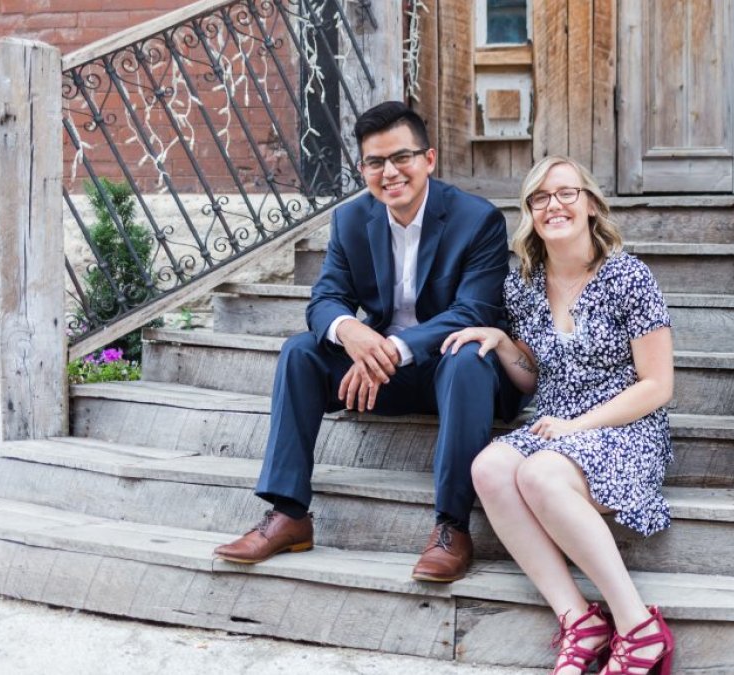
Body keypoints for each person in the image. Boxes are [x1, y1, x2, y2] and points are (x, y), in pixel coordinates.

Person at [213, 101, 523, 583]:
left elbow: (474, 313)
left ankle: (452, 528)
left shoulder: (476, 219)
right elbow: (325, 300)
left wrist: (389, 351)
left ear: (429, 159)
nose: (390, 172)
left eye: (402, 157)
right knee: (301, 351)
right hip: (381, 374)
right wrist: (352, 332)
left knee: (466, 355)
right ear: (363, 169)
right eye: (375, 162)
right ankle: (288, 512)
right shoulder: (352, 220)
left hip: (454, 373)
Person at [442, 157, 676, 675]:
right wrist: (503, 342)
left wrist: (578, 426)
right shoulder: (522, 285)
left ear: (591, 205)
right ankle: (579, 620)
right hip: (555, 423)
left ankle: (637, 627)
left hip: (624, 427)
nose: (555, 206)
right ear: (530, 213)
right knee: (488, 468)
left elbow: (658, 386)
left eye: (567, 193)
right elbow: (532, 376)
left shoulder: (628, 277)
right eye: (541, 198)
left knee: (540, 471)